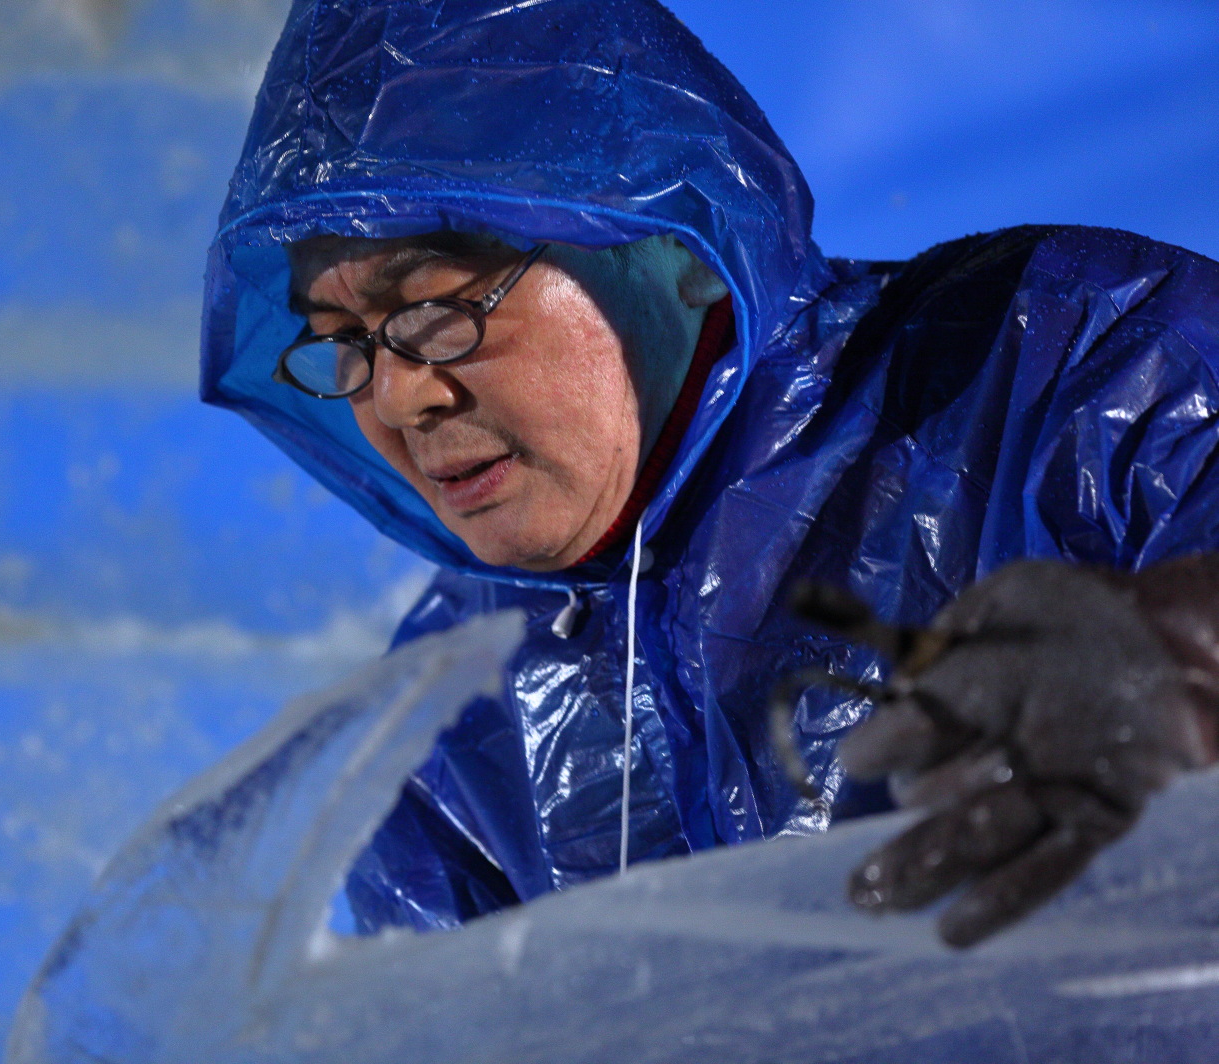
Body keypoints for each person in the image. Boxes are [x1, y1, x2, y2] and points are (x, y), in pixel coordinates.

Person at [199, 0, 1219, 948]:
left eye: (433, 305)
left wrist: (1182, 651)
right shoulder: (459, 733)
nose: (396, 396)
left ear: (678, 244)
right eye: (344, 341)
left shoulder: (1056, 367)